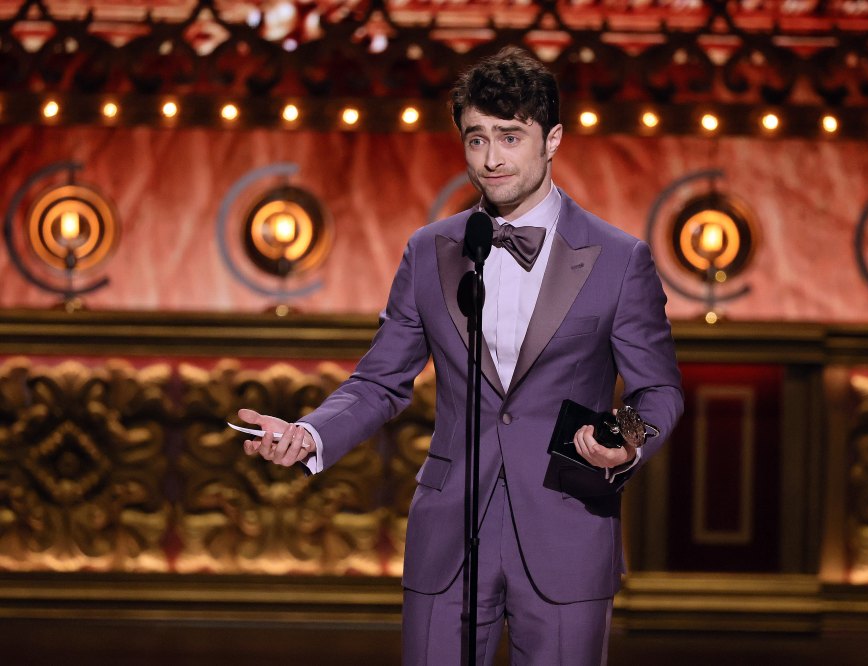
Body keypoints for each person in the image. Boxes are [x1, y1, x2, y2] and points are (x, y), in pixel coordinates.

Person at [239, 46, 683, 665]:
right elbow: (380, 382)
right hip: (450, 532)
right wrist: (312, 433)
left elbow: (658, 389)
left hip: (567, 523)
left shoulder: (617, 258)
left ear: (552, 139)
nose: (492, 159)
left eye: (510, 137)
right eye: (476, 140)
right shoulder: (430, 251)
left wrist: (625, 439)